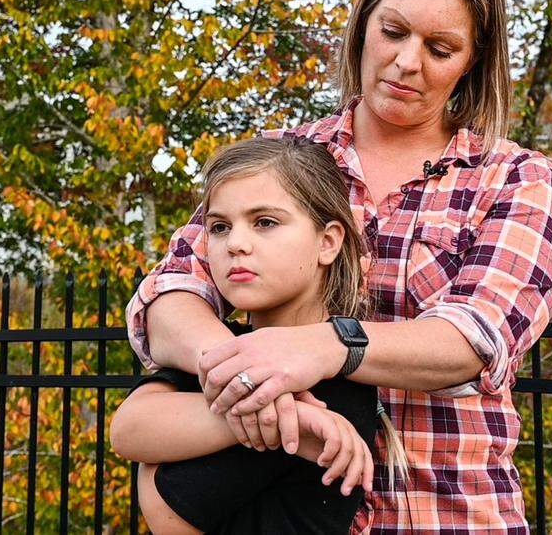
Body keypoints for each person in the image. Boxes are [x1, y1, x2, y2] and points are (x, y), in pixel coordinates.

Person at [126, 0, 552, 532]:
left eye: (440, 48)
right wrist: (252, 382)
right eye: (393, 31)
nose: (407, 61)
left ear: (472, 62)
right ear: (363, 25)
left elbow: (475, 340)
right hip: (284, 511)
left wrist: (324, 347)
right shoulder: (284, 158)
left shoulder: (512, 177)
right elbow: (173, 291)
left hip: (451, 514)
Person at [110, 137, 409, 534]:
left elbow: (168, 505)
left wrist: (155, 465)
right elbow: (128, 430)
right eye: (219, 227)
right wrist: (281, 412)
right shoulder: (226, 343)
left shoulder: (333, 384)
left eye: (265, 222)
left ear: (327, 242)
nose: (235, 243)